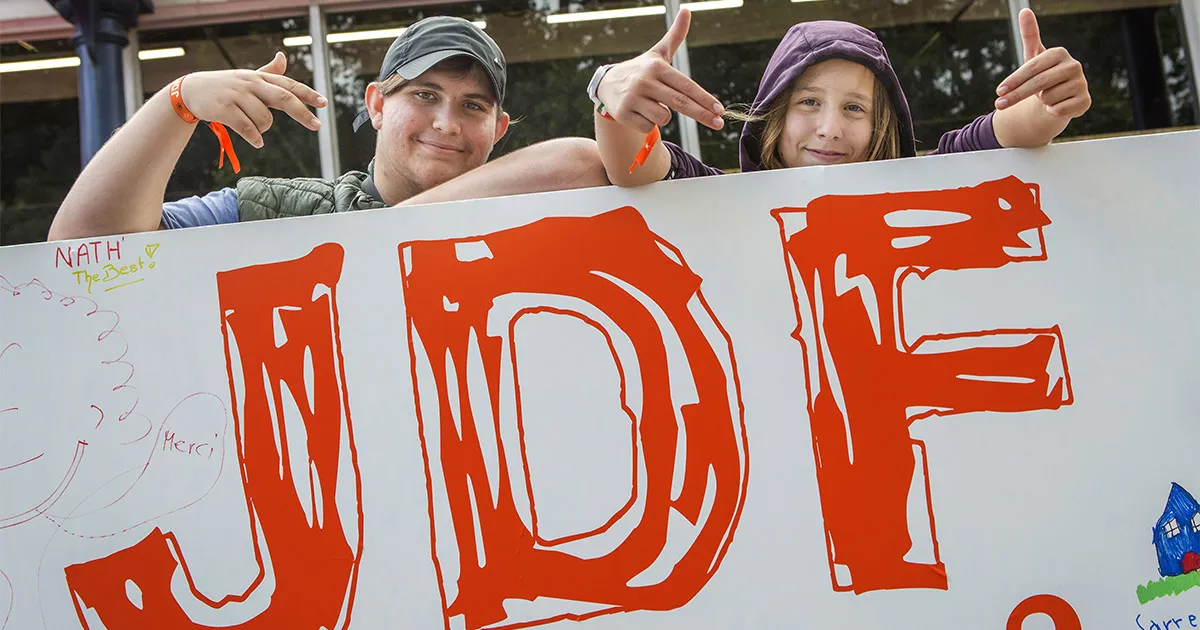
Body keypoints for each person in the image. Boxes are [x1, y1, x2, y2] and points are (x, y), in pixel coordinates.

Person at [48, 16, 609, 240]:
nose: (446, 123)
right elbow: (81, 244)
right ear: (377, 103)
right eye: (424, 94)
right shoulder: (273, 212)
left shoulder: (536, 216)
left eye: (473, 106)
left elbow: (583, 162)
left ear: (500, 127)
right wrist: (177, 103)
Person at [588, 8, 1091, 186]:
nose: (830, 128)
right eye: (808, 102)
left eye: (855, 108)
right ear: (774, 117)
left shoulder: (935, 183)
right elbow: (636, 169)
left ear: (883, 125)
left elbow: (1005, 133)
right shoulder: (715, 197)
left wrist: (1046, 105)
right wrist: (613, 94)